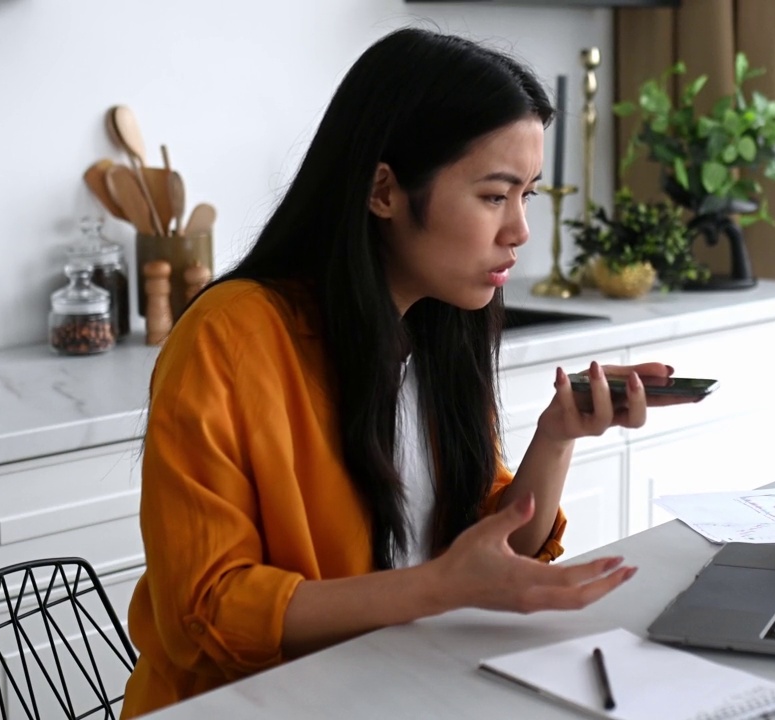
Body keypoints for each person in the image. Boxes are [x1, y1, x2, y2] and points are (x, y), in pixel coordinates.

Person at [120, 27, 687, 717]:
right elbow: (204, 611)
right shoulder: (231, 337)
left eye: (528, 195)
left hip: (396, 687)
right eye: (493, 196)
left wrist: (557, 435)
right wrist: (439, 587)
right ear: (383, 189)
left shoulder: (441, 320)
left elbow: (484, 551)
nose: (520, 231)